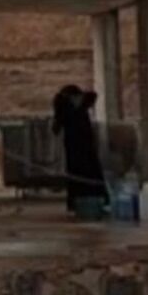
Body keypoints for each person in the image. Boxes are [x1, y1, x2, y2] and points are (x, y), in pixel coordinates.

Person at [52, 85, 108, 215]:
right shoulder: (65, 109)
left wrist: (78, 98)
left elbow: (93, 95)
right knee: (79, 176)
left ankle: (96, 202)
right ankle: (79, 203)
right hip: (75, 148)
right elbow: (56, 128)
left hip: (86, 147)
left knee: (90, 174)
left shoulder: (81, 107)